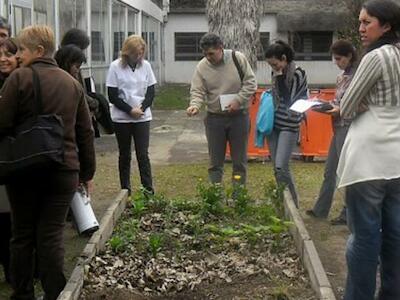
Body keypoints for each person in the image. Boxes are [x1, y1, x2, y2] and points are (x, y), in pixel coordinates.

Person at [0, 25, 95, 300]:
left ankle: (23, 293)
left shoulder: (19, 79)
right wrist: (86, 172)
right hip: (63, 169)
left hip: (24, 169)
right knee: (51, 234)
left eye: (22, 50)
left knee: (22, 234)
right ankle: (56, 292)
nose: (18, 56)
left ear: (39, 51)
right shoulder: (71, 83)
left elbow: (3, 123)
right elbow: (85, 132)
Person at [335, 0, 400, 298]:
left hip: (370, 159)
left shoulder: (377, 57)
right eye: (360, 21)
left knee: (364, 238)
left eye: (367, 22)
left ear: (386, 26)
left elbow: (346, 107)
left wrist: (360, 104)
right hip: (397, 159)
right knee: (396, 238)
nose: (360, 28)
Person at [187, 33, 257, 186]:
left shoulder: (237, 59)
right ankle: (214, 195)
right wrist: (195, 105)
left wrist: (238, 101)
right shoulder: (202, 66)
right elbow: (197, 90)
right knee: (215, 162)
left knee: (239, 162)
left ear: (221, 48)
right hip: (215, 119)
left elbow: (251, 83)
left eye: (211, 53)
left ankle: (238, 196)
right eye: (205, 54)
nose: (208, 57)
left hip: (239, 117)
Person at [306, 40, 358, 225]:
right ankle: (321, 209)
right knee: (330, 170)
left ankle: (348, 212)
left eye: (339, 59)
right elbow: (338, 101)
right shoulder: (341, 77)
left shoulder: (359, 76)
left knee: (346, 171)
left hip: (349, 126)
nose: (336, 62)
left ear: (349, 56)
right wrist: (320, 104)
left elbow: (357, 103)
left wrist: (339, 109)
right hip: (338, 125)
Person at [106, 35, 156, 195]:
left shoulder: (146, 66)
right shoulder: (115, 67)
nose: (139, 56)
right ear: (127, 52)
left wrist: (141, 108)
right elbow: (112, 95)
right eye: (136, 53)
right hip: (122, 117)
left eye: (141, 53)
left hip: (142, 116)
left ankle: (148, 190)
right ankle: (125, 190)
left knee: (143, 154)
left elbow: (151, 91)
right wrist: (129, 110)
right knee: (125, 154)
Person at [264, 40, 308, 207]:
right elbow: (276, 96)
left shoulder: (298, 73)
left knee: (282, 166)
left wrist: (281, 77)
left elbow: (291, 98)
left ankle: (293, 205)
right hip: (274, 123)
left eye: (275, 64)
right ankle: (283, 202)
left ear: (284, 59)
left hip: (289, 124)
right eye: (271, 65)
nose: (273, 68)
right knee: (276, 167)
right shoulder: (275, 73)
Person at [0, 37, 18, 284]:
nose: (3, 59)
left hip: (19, 158)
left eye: (8, 54)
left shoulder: (23, 82)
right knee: (3, 219)